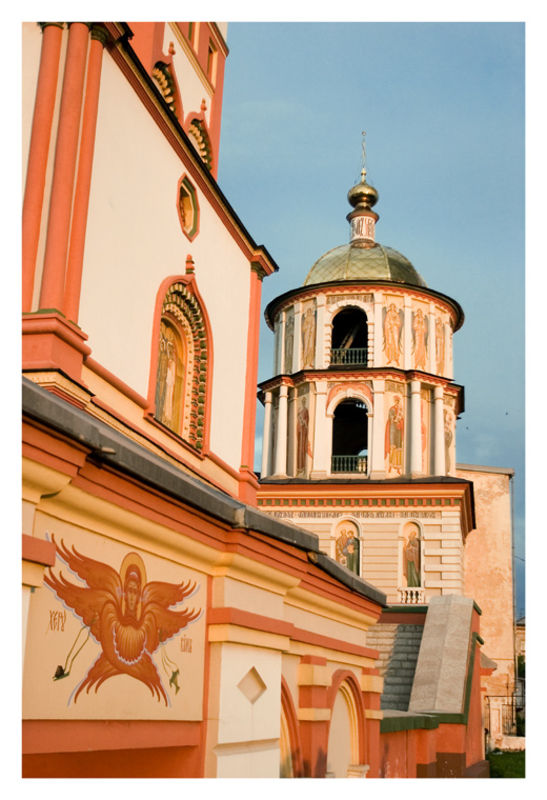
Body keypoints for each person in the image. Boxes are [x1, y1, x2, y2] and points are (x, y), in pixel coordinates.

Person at [385, 395, 404, 474]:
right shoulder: (392, 409)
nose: (397, 402)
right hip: (393, 429)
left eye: (397, 401)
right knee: (392, 448)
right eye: (396, 400)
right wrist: (395, 418)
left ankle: (398, 468)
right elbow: (391, 418)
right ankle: (390, 466)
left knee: (399, 449)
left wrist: (400, 420)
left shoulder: (401, 409)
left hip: (398, 430)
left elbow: (402, 418)